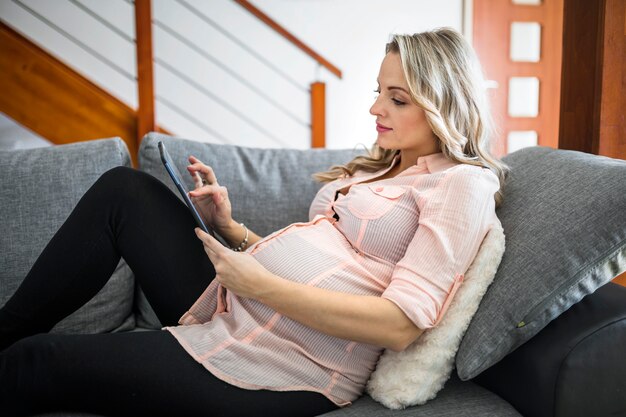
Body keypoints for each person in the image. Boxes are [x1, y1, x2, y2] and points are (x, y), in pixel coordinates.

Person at [0, 28, 507, 416]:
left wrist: (260, 285)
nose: (376, 107)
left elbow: (399, 327)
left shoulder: (459, 186)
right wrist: (231, 228)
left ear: (445, 103)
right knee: (124, 190)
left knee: (36, 362)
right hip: (242, 305)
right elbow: (330, 262)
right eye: (379, 90)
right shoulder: (382, 164)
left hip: (292, 362)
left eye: (398, 98)